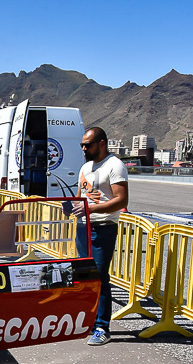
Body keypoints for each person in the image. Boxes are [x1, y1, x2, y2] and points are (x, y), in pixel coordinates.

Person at [72, 126, 129, 346]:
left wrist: (92, 210)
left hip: (103, 227)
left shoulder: (115, 166)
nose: (84, 148)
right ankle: (90, 320)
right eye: (82, 145)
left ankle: (102, 327)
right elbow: (81, 196)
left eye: (88, 144)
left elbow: (121, 200)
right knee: (85, 277)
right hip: (83, 227)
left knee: (99, 278)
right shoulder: (85, 166)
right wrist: (71, 206)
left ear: (102, 143)